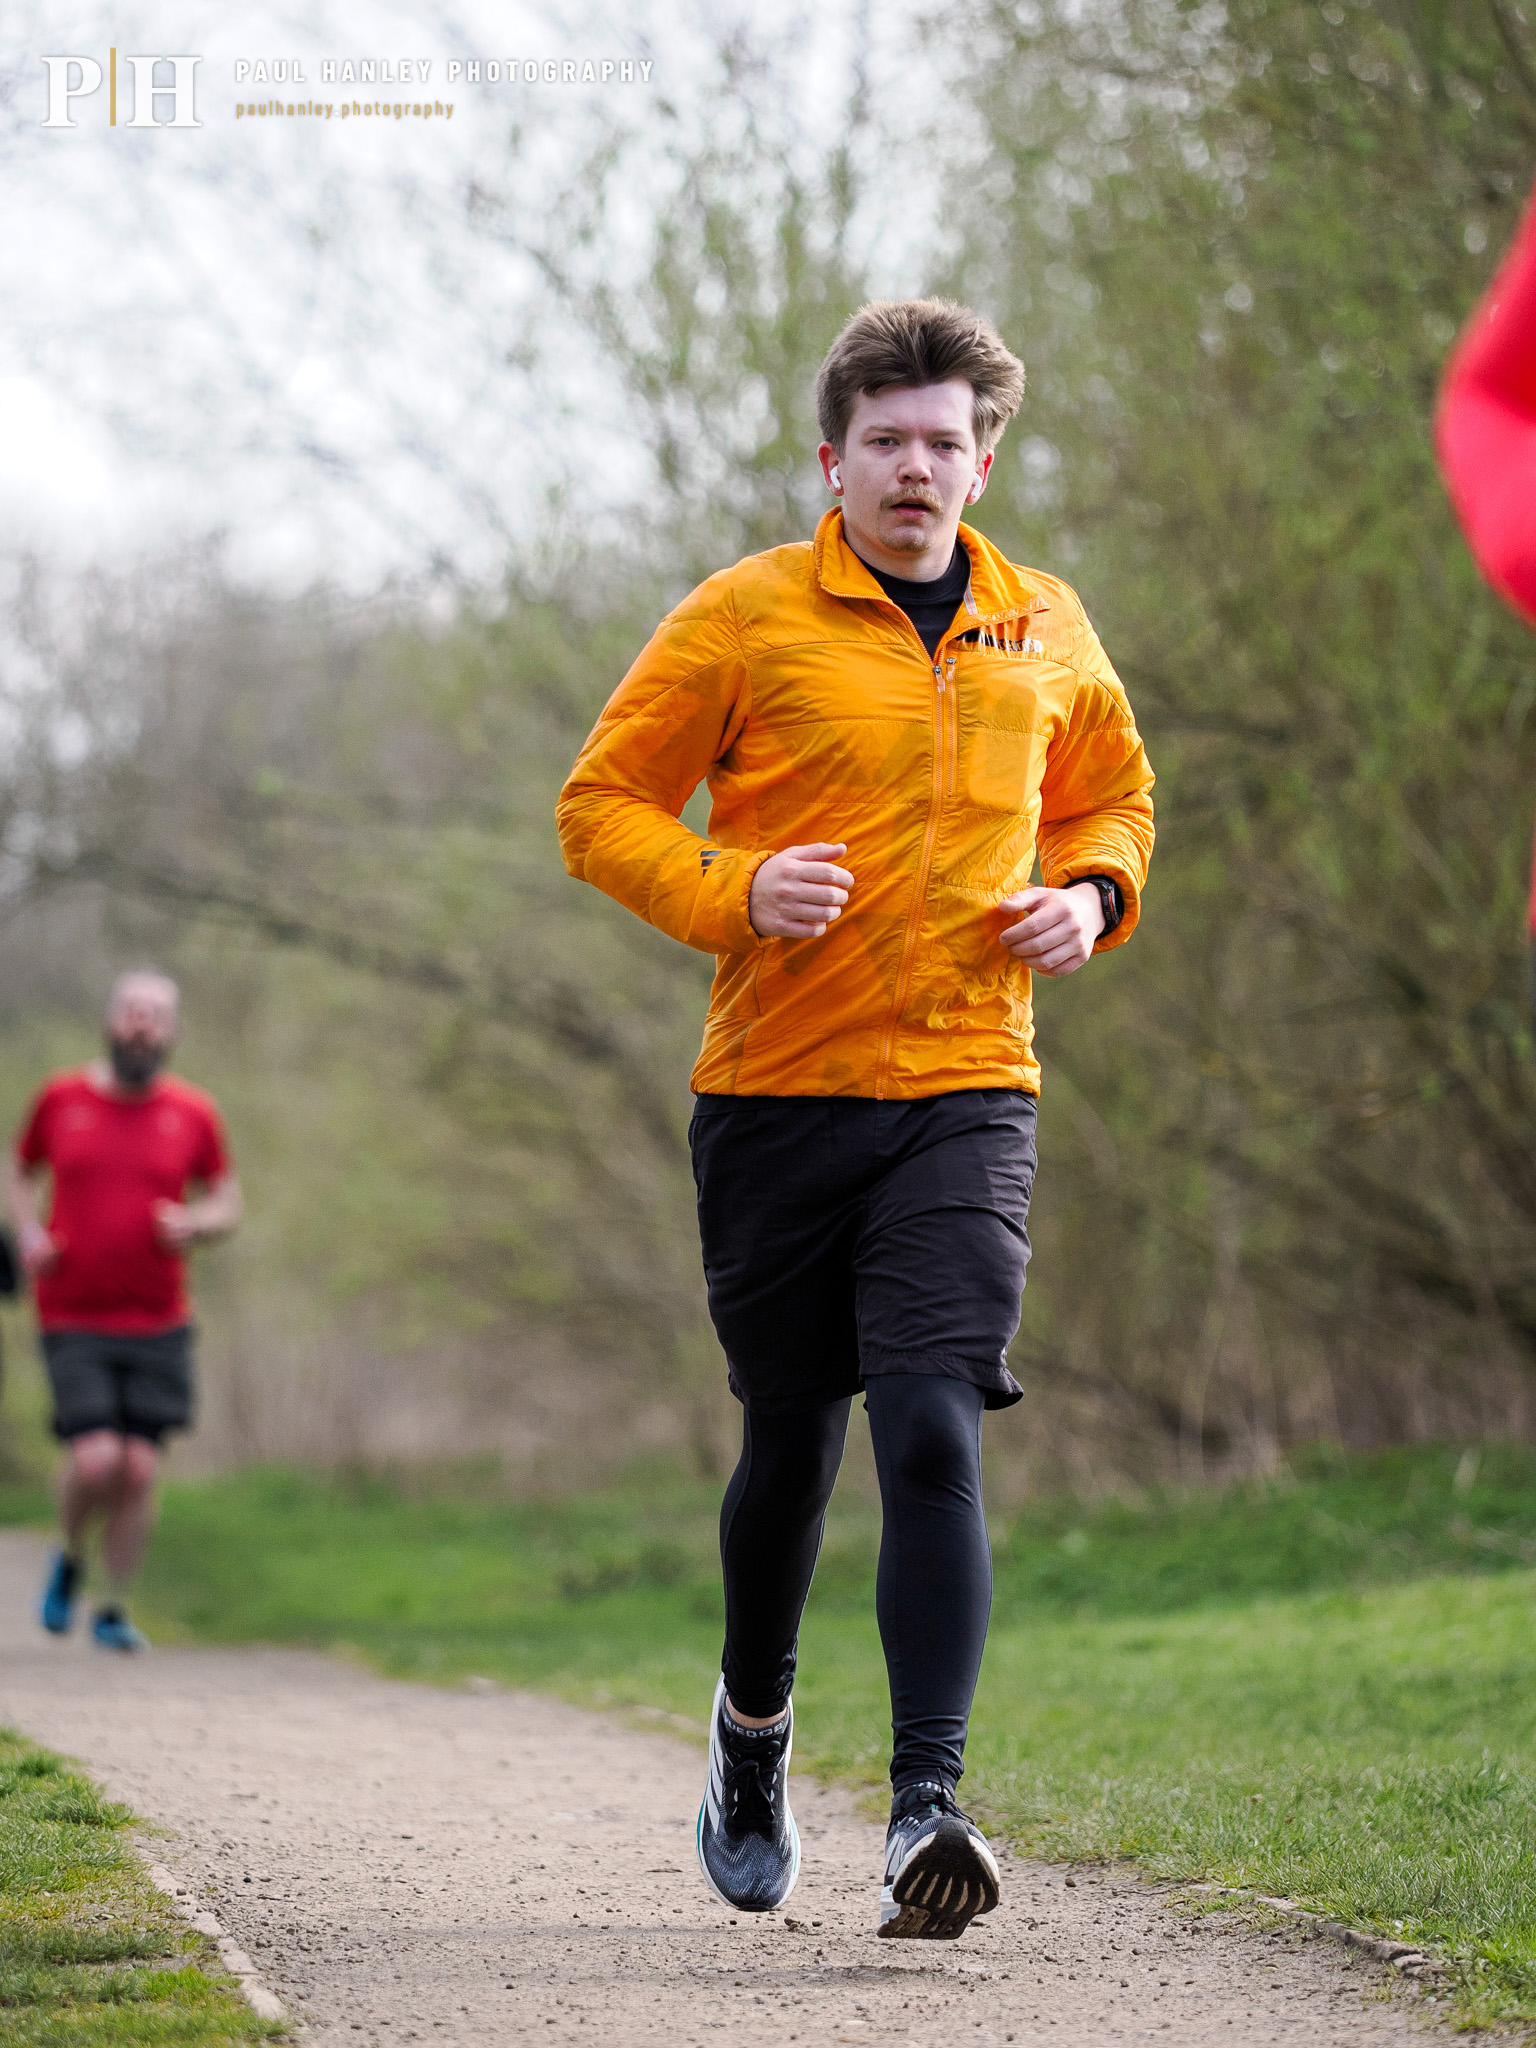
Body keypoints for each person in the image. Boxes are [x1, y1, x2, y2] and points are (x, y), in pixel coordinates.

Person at [557, 298, 1154, 1940]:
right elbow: (598, 805)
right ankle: (752, 1736)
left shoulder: (1043, 624)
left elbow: (1114, 790)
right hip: (774, 1098)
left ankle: (924, 1810)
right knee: (792, 1444)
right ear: (834, 458)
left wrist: (1093, 895)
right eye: (884, 440)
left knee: (935, 1421)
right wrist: (734, 887)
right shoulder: (744, 618)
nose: (914, 465)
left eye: (942, 440)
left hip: (968, 1085)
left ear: (980, 458)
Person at [3, 969, 241, 1651]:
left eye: (156, 1015)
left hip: (160, 1317)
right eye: (132, 1011)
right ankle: (70, 1558)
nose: (142, 1024)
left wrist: (198, 1222)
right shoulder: (59, 1098)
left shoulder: (194, 1113)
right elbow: (18, 1169)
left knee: (140, 1467)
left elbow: (229, 1202)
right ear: (111, 1021)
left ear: (171, 1031)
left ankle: (111, 1607)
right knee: (97, 1459)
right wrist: (27, 1234)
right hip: (72, 1311)